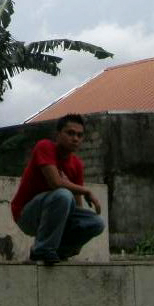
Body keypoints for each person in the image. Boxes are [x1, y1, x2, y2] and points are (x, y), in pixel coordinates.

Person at [11, 113, 105, 265]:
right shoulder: (45, 147)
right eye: (70, 133)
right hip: (27, 215)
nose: (75, 138)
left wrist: (77, 239)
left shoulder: (77, 165)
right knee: (63, 195)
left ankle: (61, 251)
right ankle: (42, 250)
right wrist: (86, 191)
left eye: (80, 135)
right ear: (58, 134)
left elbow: (77, 206)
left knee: (96, 223)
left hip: (57, 216)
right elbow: (55, 182)